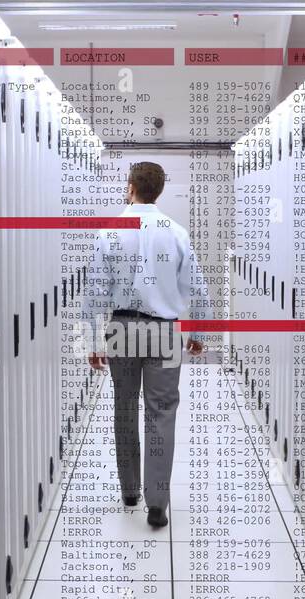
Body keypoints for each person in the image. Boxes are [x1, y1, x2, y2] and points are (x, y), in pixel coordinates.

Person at [81, 161, 212, 528]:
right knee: (162, 413)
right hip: (164, 333)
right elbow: (197, 288)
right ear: (159, 191)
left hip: (122, 328)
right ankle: (157, 503)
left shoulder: (110, 233)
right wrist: (199, 332)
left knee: (124, 407)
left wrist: (92, 340)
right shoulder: (175, 232)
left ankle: (129, 490)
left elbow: (94, 292)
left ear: (131, 187)